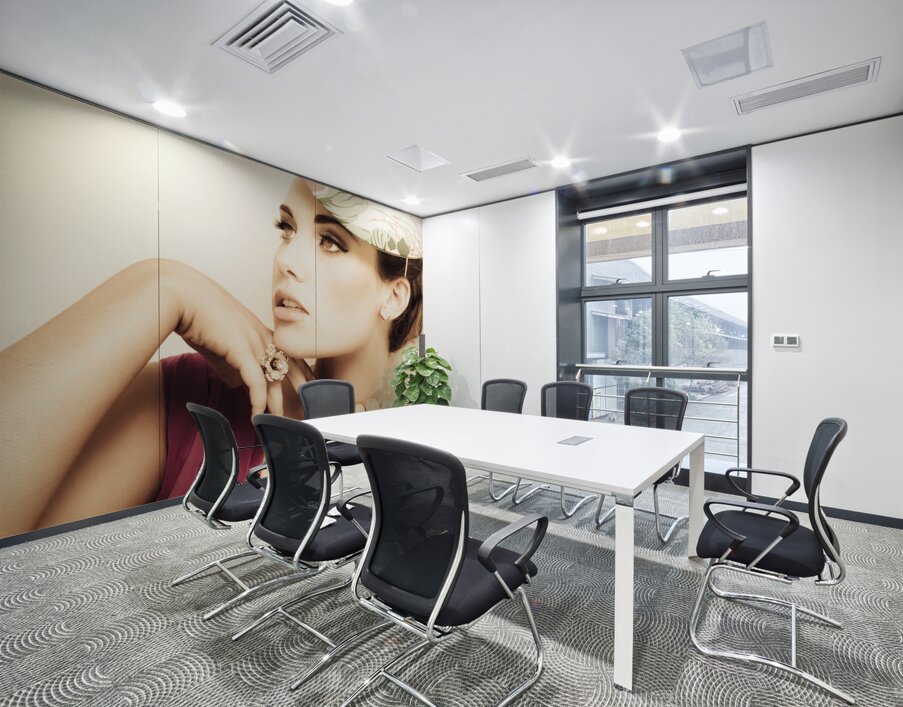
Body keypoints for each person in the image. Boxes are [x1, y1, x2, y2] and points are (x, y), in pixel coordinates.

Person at [0, 177, 423, 536]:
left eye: (330, 242)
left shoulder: (395, 430)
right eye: (287, 229)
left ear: (394, 295)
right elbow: (38, 558)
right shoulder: (196, 391)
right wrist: (163, 286)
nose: (286, 260)